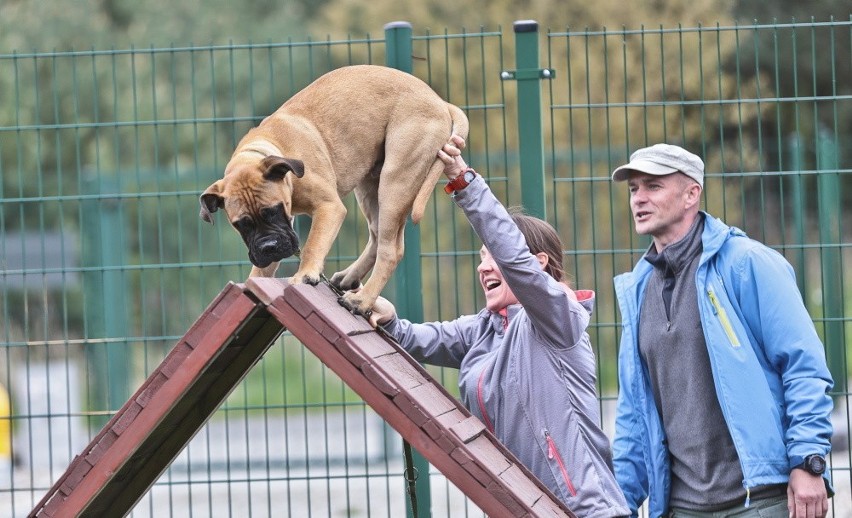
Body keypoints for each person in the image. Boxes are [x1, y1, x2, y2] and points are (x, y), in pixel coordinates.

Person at [369, 135, 630, 517]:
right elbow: (414, 338)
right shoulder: (483, 330)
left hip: (585, 511)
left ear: (537, 264)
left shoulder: (558, 319)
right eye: (480, 257)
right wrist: (386, 317)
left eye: (492, 256)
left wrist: (464, 183)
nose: (482, 266)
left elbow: (514, 257)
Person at [609, 143, 834, 518]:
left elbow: (804, 367)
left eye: (653, 186)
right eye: (634, 189)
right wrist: (618, 504)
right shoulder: (637, 288)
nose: (639, 199)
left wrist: (808, 461)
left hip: (761, 500)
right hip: (682, 507)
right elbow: (634, 412)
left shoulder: (748, 264)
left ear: (691, 194)